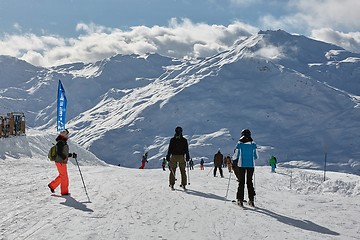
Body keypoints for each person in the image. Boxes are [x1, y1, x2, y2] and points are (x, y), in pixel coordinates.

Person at [232, 129, 258, 207]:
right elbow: (256, 156)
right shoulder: (253, 144)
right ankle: (251, 200)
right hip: (251, 165)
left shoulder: (239, 144)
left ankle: (240, 200)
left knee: (241, 182)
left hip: (241, 165)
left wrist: (233, 158)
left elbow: (235, 156)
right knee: (249, 182)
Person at [48, 129, 77, 196]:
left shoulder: (62, 141)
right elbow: (59, 152)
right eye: (67, 134)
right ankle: (64, 192)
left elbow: (64, 153)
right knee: (64, 177)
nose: (68, 136)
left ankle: (52, 185)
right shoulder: (61, 142)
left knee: (62, 176)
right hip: (60, 162)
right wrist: (64, 157)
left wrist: (71, 155)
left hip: (61, 161)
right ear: (64, 135)